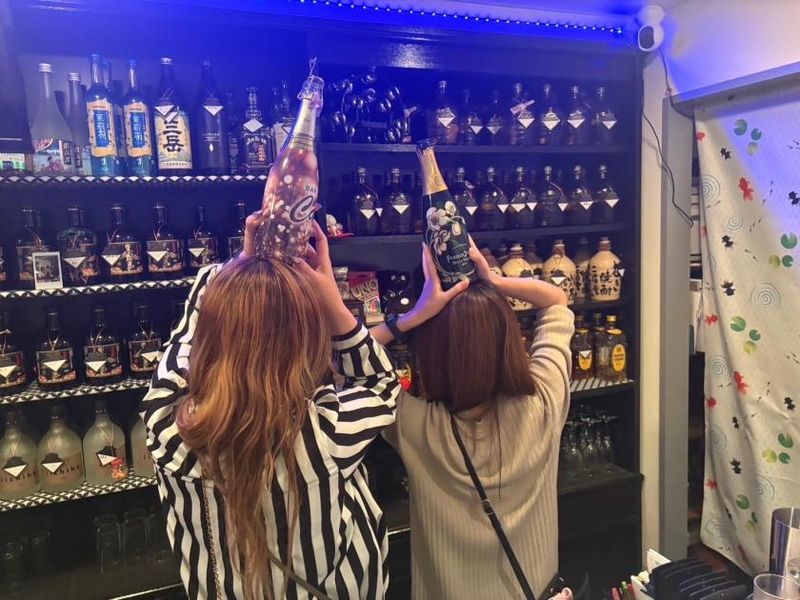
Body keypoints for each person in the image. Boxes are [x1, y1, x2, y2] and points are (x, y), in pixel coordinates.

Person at [141, 219, 459, 599]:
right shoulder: (324, 434)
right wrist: (332, 301)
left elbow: (187, 336)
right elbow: (381, 382)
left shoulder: (167, 424)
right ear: (305, 347)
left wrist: (244, 266)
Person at [371, 242, 574, 600]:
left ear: (431, 352)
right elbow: (556, 300)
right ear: (509, 338)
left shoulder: (416, 425)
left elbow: (346, 362)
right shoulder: (544, 402)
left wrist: (414, 316)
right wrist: (495, 282)